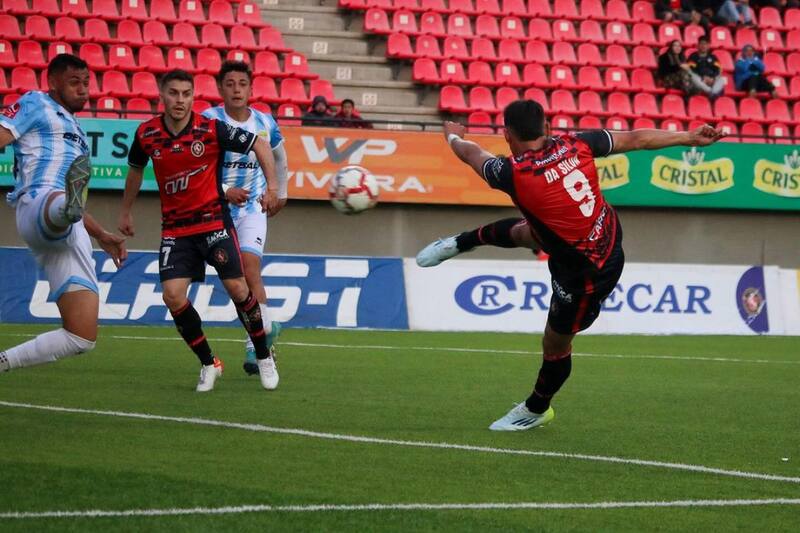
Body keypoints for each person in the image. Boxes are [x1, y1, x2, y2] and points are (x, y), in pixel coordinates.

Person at [416, 100, 725, 431]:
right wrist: (689, 137)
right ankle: (459, 243)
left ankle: (536, 409)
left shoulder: (513, 173)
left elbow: (471, 154)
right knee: (527, 233)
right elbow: (637, 139)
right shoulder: (578, 142)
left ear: (507, 134)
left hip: (586, 273)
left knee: (555, 342)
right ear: (547, 128)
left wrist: (452, 137)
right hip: (601, 236)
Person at [117, 69, 281, 392]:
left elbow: (261, 145)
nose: (180, 100)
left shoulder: (210, 128)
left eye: (186, 94)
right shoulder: (147, 134)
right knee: (172, 296)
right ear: (161, 95)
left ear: (193, 96)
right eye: (174, 93)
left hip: (214, 223)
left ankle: (263, 354)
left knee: (238, 288)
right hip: (176, 230)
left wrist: (273, 186)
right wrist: (125, 210)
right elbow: (136, 168)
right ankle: (209, 363)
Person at [0, 54, 127, 373]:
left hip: (70, 230)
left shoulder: (79, 132)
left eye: (87, 83)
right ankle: (66, 208)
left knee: (81, 336)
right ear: (52, 81)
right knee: (58, 194)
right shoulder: (35, 103)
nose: (83, 89)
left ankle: (3, 361)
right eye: (74, 82)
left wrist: (102, 235)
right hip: (37, 203)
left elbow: (75, 203)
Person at [202, 61, 287, 378]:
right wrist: (224, 189)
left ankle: (257, 344)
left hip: (253, 209)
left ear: (251, 89)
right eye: (230, 83)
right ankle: (267, 327)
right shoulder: (208, 121)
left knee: (250, 269)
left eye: (242, 83)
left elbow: (280, 158)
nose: (236, 89)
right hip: (217, 209)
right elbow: (198, 167)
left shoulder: (265, 121)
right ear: (220, 88)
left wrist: (281, 192)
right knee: (234, 281)